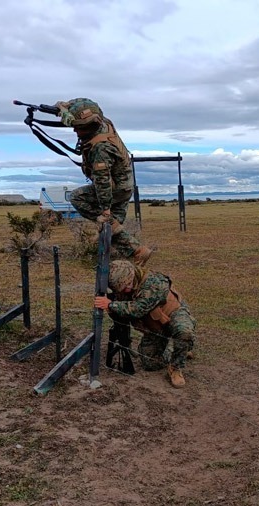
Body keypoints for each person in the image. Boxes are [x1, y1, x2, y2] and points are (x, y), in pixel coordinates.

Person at [56, 98, 152, 266]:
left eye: (80, 128)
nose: (76, 132)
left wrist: (105, 211)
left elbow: (102, 182)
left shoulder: (101, 148)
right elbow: (84, 103)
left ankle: (136, 251)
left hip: (115, 188)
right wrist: (63, 106)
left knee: (79, 199)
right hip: (126, 185)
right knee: (112, 228)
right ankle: (118, 256)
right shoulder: (103, 121)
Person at [94, 260, 196, 389]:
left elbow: (138, 309)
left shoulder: (153, 282)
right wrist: (111, 307)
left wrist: (110, 304)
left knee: (184, 332)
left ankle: (176, 367)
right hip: (155, 325)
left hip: (173, 314)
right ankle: (179, 349)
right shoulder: (123, 287)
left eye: (127, 285)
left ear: (132, 275)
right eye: (122, 288)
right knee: (150, 363)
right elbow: (122, 315)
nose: (126, 289)